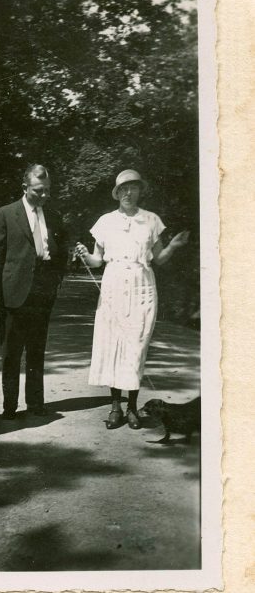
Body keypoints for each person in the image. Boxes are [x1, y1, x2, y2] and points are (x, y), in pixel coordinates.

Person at [75, 169, 189, 430]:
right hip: (113, 284)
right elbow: (96, 260)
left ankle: (133, 408)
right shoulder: (105, 221)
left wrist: (173, 246)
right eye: (123, 189)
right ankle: (115, 408)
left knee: (136, 348)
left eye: (133, 188)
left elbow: (158, 259)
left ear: (140, 191)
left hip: (142, 286)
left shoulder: (151, 220)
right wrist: (84, 254)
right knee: (113, 345)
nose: (128, 193)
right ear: (117, 193)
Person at [0, 164, 68, 419]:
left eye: (47, 191)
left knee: (36, 350)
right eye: (38, 191)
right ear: (25, 188)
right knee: (11, 353)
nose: (44, 196)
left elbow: (61, 251)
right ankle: (9, 406)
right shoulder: (5, 214)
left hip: (42, 294)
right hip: (13, 294)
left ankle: (35, 403)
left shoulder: (54, 215)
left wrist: (55, 281)